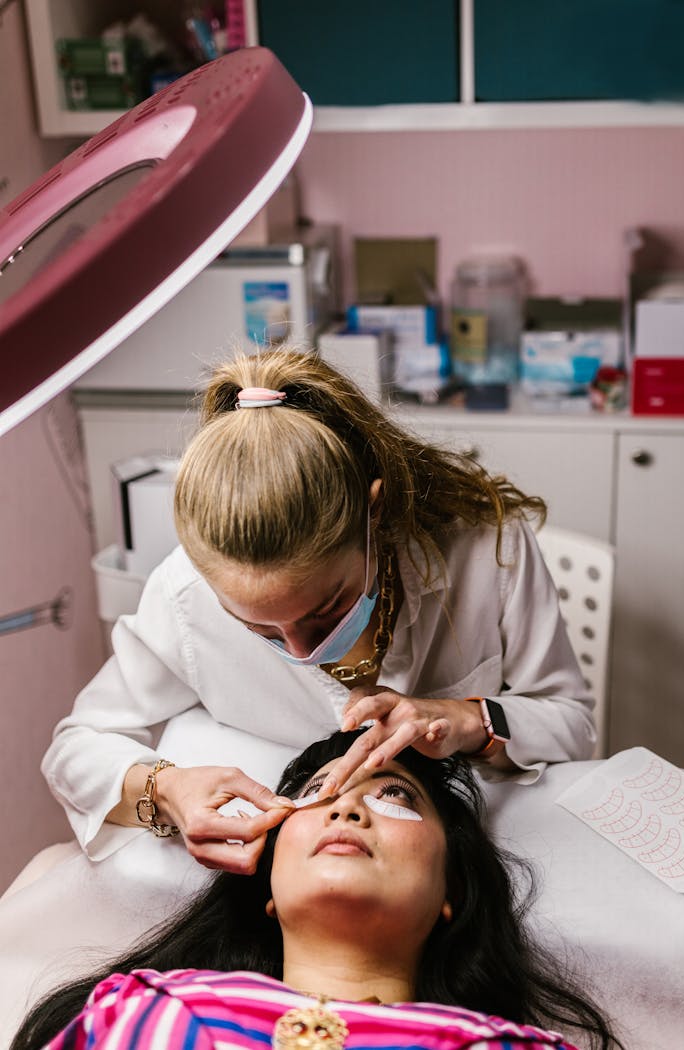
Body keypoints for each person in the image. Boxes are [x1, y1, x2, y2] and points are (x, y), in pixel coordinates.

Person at [42, 348, 595, 874]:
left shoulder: (484, 547)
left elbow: (573, 723)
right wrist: (163, 790)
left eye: (327, 608)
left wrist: (468, 721)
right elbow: (76, 747)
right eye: (257, 626)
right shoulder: (183, 593)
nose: (301, 652)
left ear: (373, 515)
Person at [12, 730, 623, 1050]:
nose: (347, 808)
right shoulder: (146, 1009)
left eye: (394, 795)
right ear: (269, 888)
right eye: (317, 792)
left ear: (451, 890)